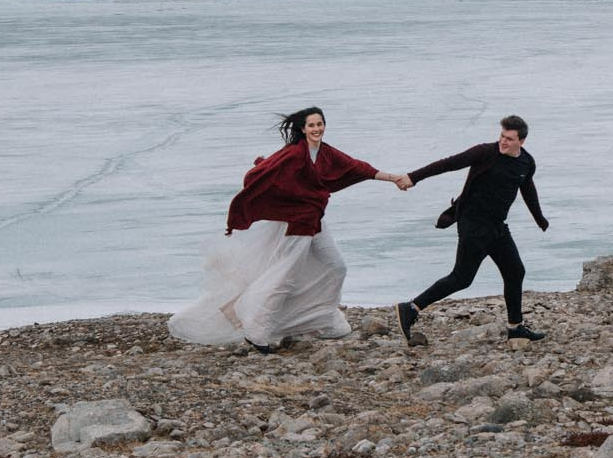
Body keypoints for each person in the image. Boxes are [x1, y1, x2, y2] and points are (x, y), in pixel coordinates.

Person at [169, 106, 409, 352]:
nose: (317, 129)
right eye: (312, 125)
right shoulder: (294, 154)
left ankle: (323, 319)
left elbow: (357, 167)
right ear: (303, 129)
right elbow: (258, 175)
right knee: (283, 278)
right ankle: (256, 330)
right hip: (296, 224)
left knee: (337, 267)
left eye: (320, 124)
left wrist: (393, 178)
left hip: (314, 221)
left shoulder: (325, 153)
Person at [395, 114, 549, 344]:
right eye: (502, 136)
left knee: (515, 271)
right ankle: (411, 308)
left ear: (521, 141)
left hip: (497, 226)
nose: (503, 141)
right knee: (461, 278)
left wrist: (540, 219)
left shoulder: (526, 162)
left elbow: (527, 189)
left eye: (509, 139)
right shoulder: (485, 153)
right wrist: (413, 177)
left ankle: (515, 327)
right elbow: (448, 163)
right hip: (474, 224)